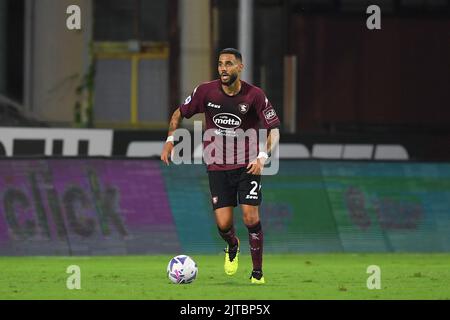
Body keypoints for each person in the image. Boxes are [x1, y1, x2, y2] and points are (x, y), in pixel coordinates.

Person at [161, 48, 280, 284]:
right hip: (217, 166)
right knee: (224, 224)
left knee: (249, 217)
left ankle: (257, 273)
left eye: (228, 64)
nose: (223, 68)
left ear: (240, 67)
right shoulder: (205, 91)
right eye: (220, 64)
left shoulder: (255, 95)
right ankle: (232, 245)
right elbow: (178, 113)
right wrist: (169, 140)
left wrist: (263, 156)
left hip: (248, 165)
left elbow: (273, 129)